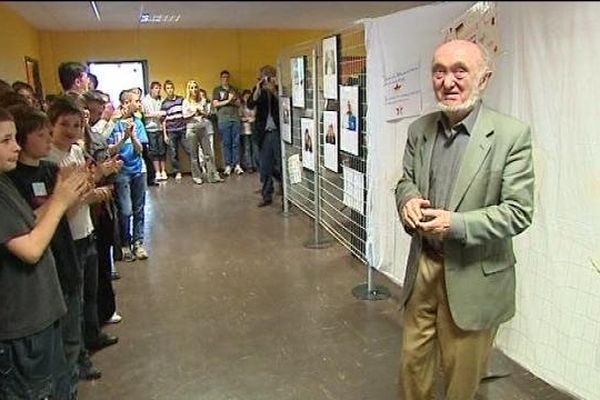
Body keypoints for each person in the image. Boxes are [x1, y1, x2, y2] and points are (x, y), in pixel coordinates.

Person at [395, 39, 534, 400]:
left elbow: (518, 212)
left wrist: (455, 225)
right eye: (439, 71)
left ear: (483, 79)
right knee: (413, 366)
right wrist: (407, 200)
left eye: (460, 71)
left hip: (473, 274)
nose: (448, 81)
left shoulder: (510, 136)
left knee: (461, 382)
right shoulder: (419, 131)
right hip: (423, 267)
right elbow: (406, 181)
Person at [0, 107, 89, 399]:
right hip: (22, 326)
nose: (15, 146)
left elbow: (32, 220)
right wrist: (60, 201)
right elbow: (31, 248)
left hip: (40, 315)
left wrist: (63, 194)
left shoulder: (4, 182)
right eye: (6, 140)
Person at [108, 90, 150, 262]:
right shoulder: (113, 125)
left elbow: (140, 150)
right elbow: (109, 150)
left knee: (139, 209)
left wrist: (132, 135)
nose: (139, 104)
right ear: (125, 103)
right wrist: (123, 137)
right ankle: (125, 243)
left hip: (138, 171)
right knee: (125, 210)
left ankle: (138, 243)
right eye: (136, 101)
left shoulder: (138, 123)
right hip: (121, 172)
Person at [247, 65, 282, 207]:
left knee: (280, 164)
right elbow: (250, 104)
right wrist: (258, 89)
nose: (266, 78)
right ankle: (266, 194)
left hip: (276, 131)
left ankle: (286, 193)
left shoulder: (279, 88)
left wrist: (273, 90)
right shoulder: (257, 89)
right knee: (265, 166)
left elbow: (284, 105)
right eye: (263, 75)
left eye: (269, 75)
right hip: (263, 133)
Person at [182, 80, 223, 185]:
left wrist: (201, 112)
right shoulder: (186, 102)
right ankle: (197, 176)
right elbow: (184, 117)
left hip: (203, 128)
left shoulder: (203, 100)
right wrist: (193, 113)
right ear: (188, 90)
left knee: (208, 154)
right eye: (191, 87)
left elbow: (207, 114)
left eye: (195, 87)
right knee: (194, 155)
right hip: (192, 129)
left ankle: (212, 175)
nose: (194, 89)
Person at [212, 70, 243, 176]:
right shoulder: (217, 90)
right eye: (223, 77)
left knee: (236, 142)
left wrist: (233, 99)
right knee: (226, 143)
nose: (225, 79)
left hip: (235, 119)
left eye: (227, 77)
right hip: (223, 120)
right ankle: (228, 165)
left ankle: (237, 165)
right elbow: (215, 104)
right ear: (221, 78)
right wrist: (228, 100)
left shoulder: (234, 89)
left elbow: (239, 103)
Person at [161, 80, 189, 181]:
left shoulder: (181, 100)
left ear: (174, 88)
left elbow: (186, 112)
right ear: (165, 90)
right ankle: (177, 172)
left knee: (189, 149)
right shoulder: (164, 104)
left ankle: (197, 169)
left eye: (171, 88)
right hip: (171, 130)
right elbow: (163, 120)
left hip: (182, 129)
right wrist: (165, 135)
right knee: (173, 153)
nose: (170, 90)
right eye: (168, 88)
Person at [141, 81, 168, 182]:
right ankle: (157, 172)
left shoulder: (162, 100)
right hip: (150, 128)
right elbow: (144, 115)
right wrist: (154, 114)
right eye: (156, 88)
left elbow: (165, 113)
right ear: (151, 89)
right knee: (154, 151)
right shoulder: (145, 100)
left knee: (162, 151)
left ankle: (163, 171)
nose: (158, 90)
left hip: (160, 128)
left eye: (159, 88)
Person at [239, 89, 258, 173]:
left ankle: (255, 165)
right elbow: (239, 117)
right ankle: (249, 165)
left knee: (255, 148)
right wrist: (246, 119)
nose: (247, 98)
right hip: (245, 129)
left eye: (248, 97)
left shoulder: (254, 106)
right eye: (245, 97)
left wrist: (254, 119)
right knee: (247, 148)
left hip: (253, 129)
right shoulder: (241, 106)